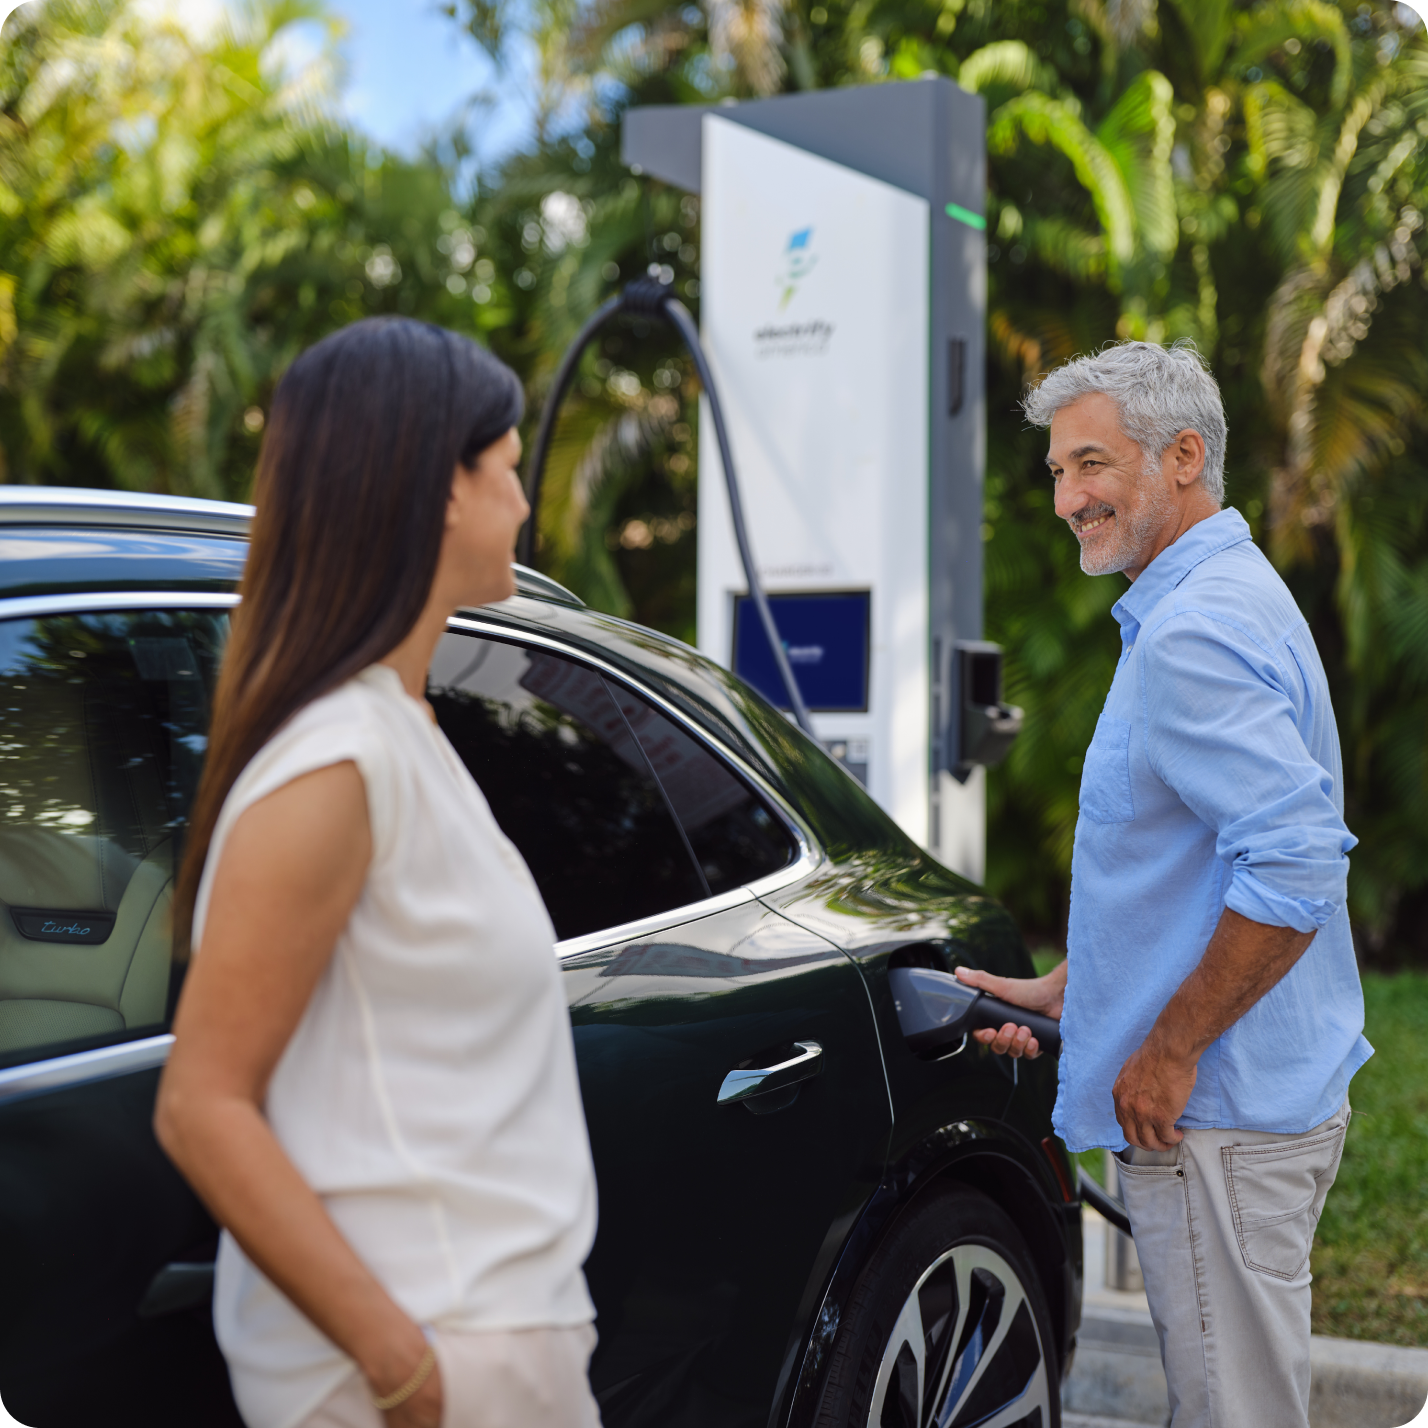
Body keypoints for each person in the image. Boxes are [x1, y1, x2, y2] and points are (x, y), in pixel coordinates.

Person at [155, 317, 601, 1428]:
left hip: (488, 1341)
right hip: (423, 1360)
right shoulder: (336, 760)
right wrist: (404, 1374)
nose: (524, 502)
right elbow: (203, 1105)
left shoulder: (401, 731)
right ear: (439, 488)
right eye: (505, 470)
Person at [955, 341, 1370, 1428]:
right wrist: (1075, 988)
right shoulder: (1228, 592)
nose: (1067, 499)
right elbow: (1196, 861)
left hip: (1216, 1117)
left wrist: (1172, 1046)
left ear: (1184, 456)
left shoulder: (1195, 631)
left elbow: (1294, 859)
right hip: (1256, 1103)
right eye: (1056, 472)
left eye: (1091, 465)